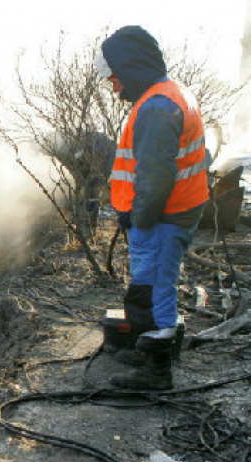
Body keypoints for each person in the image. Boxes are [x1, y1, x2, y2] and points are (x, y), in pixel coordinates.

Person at [96, 26, 209, 390]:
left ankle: (157, 372)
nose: (113, 84)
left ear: (130, 67)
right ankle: (148, 350)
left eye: (114, 75)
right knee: (148, 283)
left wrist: (137, 218)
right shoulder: (168, 95)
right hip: (168, 214)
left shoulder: (157, 108)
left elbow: (155, 177)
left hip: (161, 218)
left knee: (158, 287)